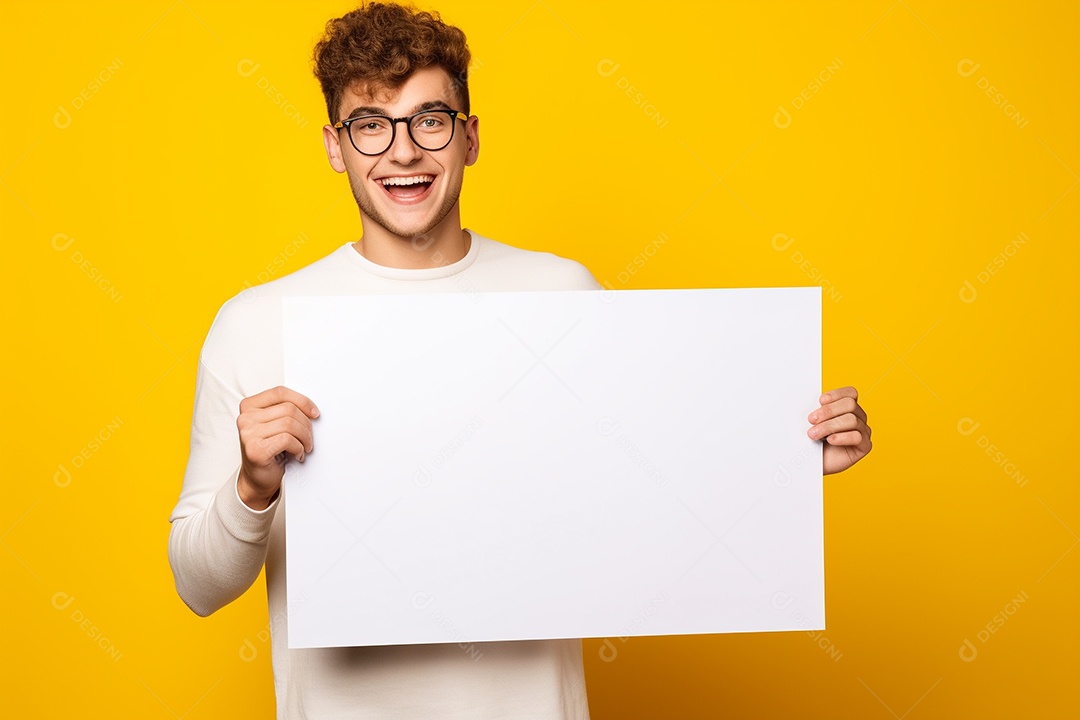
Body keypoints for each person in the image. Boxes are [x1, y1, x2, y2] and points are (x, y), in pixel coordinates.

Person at [167, 3, 873, 718]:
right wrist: (254, 487)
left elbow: (648, 487)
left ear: (469, 138)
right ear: (335, 146)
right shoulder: (255, 324)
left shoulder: (562, 293)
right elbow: (197, 586)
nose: (403, 152)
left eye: (430, 119)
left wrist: (782, 457)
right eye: (371, 125)